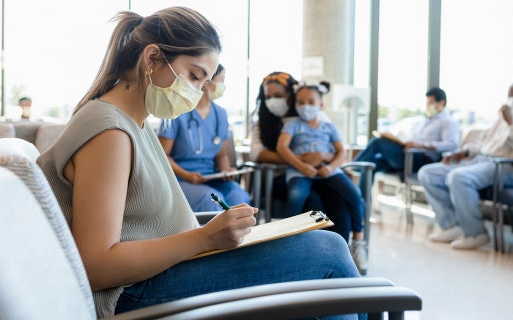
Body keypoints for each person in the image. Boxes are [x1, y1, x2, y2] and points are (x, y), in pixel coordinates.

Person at [36, 8, 361, 319]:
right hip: (134, 292)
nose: (195, 92)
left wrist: (212, 237)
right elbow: (96, 266)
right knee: (328, 252)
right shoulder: (110, 133)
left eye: (203, 82)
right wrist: (205, 238)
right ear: (152, 58)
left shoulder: (133, 124)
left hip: (167, 270)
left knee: (316, 262)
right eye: (193, 76)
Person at [417, 78, 513, 250]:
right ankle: (452, 226)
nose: (512, 100)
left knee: (459, 177)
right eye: (510, 95)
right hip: (481, 161)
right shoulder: (502, 116)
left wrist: (512, 124)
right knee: (428, 174)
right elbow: (485, 145)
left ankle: (475, 233)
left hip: (509, 167)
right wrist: (466, 151)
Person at [249, 72, 356, 245]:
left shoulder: (312, 115)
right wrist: (300, 160)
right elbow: (256, 153)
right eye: (268, 97)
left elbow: (331, 147)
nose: (272, 101)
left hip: (314, 174)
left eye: (278, 96)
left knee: (338, 201)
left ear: (291, 95)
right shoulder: (261, 121)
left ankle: (339, 249)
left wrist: (323, 156)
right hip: (279, 178)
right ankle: (305, 249)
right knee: (312, 200)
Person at [277, 81, 368, 272]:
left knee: (353, 194)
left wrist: (332, 167)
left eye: (311, 101)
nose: (306, 106)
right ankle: (283, 241)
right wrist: (301, 166)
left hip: (328, 170)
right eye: (301, 102)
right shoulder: (293, 125)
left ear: (321, 105)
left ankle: (358, 242)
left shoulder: (329, 127)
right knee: (296, 196)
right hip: (300, 171)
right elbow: (282, 148)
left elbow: (341, 151)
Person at [158, 64, 251, 212]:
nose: (223, 86)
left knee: (239, 197)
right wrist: (187, 175)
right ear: (207, 81)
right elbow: (161, 156)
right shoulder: (175, 112)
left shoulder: (221, 114)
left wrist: (226, 172)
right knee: (211, 200)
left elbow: (221, 156)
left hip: (212, 177)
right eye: (222, 80)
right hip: (181, 179)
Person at [353, 87, 461, 196]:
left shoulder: (447, 122)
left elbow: (451, 145)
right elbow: (414, 139)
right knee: (369, 166)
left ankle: (352, 167)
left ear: (442, 103)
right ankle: (362, 207)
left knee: (378, 142)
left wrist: (422, 145)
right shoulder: (425, 121)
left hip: (421, 160)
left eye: (431, 103)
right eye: (427, 103)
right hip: (407, 155)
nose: (428, 106)